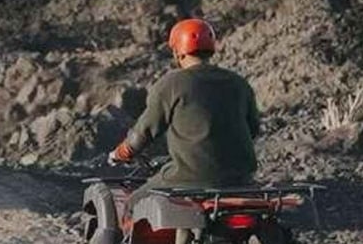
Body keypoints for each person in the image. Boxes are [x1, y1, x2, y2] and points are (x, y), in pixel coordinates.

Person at [108, 17, 262, 192]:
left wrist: (119, 154)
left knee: (134, 202)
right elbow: (254, 130)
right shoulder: (239, 83)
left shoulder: (171, 84)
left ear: (178, 53)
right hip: (241, 179)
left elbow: (143, 133)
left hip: (189, 178)